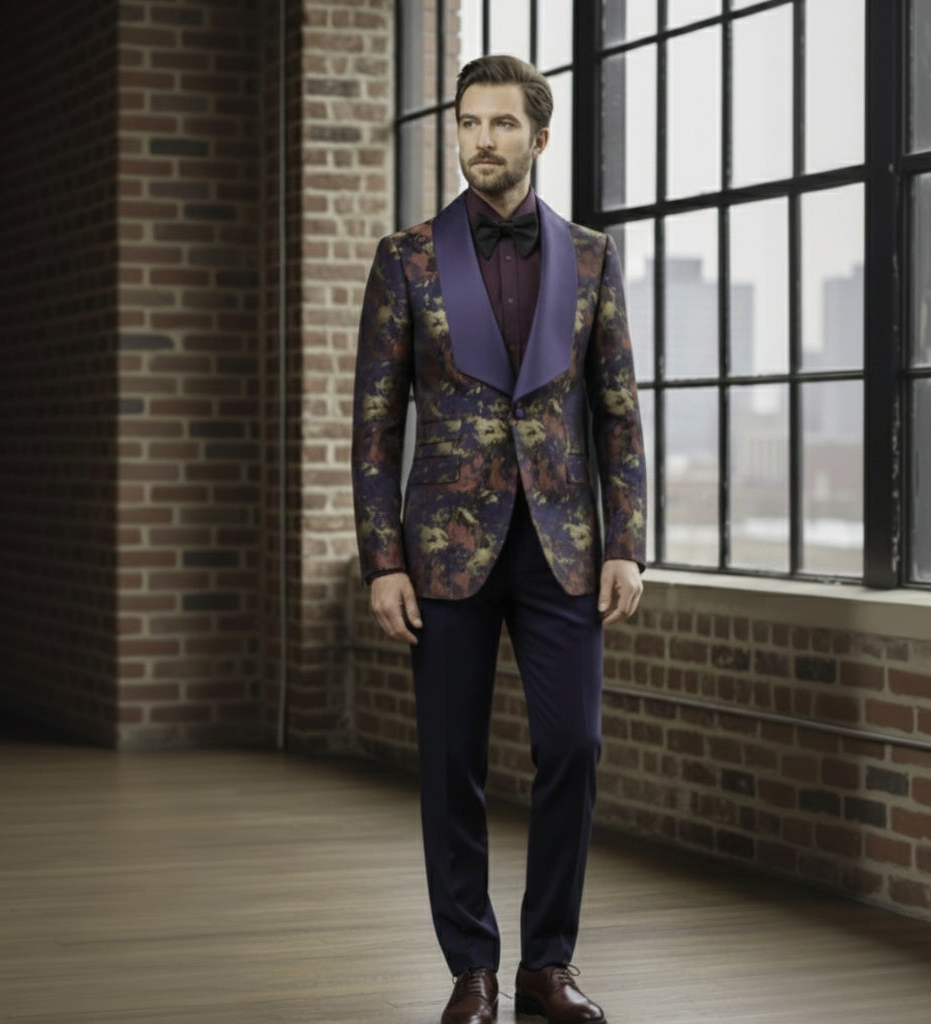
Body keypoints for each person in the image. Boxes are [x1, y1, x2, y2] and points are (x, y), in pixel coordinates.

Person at [351, 54, 646, 1024]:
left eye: (501, 124)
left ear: (538, 136)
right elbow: (373, 425)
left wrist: (624, 541)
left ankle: (545, 965)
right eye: (467, 123)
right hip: (442, 550)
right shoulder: (405, 258)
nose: (481, 139)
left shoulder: (593, 259)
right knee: (449, 761)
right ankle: (471, 968)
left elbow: (616, 416)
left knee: (573, 747)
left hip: (563, 546)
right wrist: (381, 558)